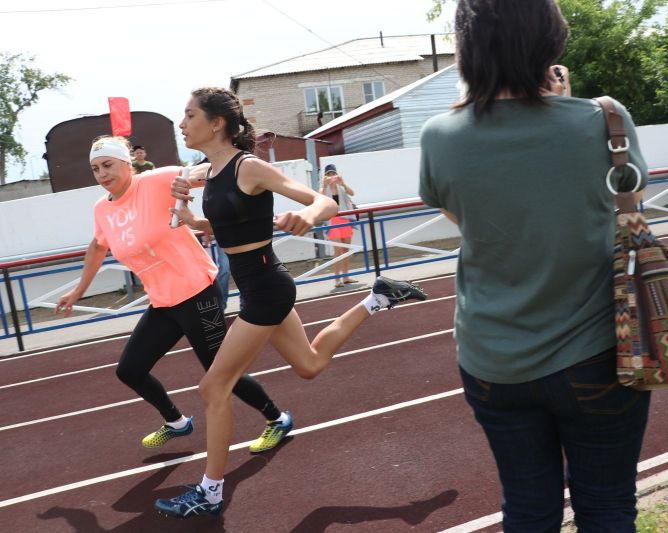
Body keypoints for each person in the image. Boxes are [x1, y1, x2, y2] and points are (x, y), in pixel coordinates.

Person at [418, 1, 650, 531]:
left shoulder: (439, 135)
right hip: (599, 353)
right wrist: (561, 105)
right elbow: (627, 206)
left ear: (467, 47)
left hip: (493, 362)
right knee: (607, 504)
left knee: (526, 507)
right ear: (549, 39)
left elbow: (467, 220)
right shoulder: (606, 121)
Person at [155, 87, 427, 518]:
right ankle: (377, 297)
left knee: (213, 387)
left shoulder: (249, 167)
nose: (182, 123)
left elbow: (324, 202)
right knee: (310, 365)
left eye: (189, 115)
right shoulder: (213, 170)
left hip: (266, 288)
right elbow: (231, 227)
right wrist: (193, 220)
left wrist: (307, 216)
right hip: (260, 284)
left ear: (217, 123)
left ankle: (210, 493)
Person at [56, 136, 291, 456]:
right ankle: (176, 422)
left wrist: (240, 185)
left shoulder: (154, 181)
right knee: (130, 370)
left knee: (220, 372)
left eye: (108, 165)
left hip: (197, 292)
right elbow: (98, 246)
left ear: (127, 163)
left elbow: (211, 171)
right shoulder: (102, 209)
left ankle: (277, 418)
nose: (102, 174)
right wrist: (78, 291)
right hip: (163, 302)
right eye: (95, 169)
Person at [319, 163, 357, 288]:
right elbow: (319, 199)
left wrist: (343, 183)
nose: (331, 176)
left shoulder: (341, 187)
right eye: (328, 174)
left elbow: (352, 193)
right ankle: (337, 279)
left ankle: (346, 277)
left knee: (346, 250)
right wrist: (324, 185)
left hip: (345, 219)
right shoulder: (324, 189)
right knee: (338, 250)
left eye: (333, 173)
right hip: (332, 221)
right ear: (325, 176)